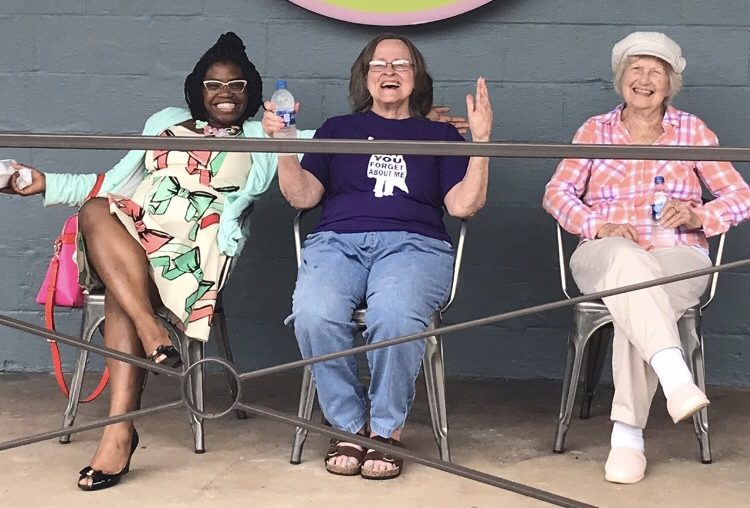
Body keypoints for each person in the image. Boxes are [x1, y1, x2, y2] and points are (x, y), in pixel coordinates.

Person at [1, 32, 284, 491]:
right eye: (214, 84)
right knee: (95, 210)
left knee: (120, 292)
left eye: (237, 85)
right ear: (197, 89)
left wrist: (417, 124)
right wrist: (42, 183)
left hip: (192, 252)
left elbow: (339, 139)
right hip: (134, 234)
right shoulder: (165, 123)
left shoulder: (262, 136)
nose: (225, 93)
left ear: (250, 91)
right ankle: (150, 336)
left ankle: (119, 430)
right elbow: (110, 183)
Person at [263, 33, 493, 480]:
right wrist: (285, 145)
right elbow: (303, 196)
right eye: (378, 65)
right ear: (364, 78)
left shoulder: (439, 134)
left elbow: (462, 205)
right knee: (313, 313)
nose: (389, 72)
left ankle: (385, 431)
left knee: (395, 315)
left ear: (416, 76)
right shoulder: (336, 129)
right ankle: (348, 426)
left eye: (401, 64)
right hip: (337, 244)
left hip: (414, 246)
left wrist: (481, 144)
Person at [543, 31, 750, 484]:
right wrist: (598, 226)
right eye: (636, 69)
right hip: (605, 252)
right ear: (621, 78)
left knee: (639, 296)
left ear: (670, 83)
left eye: (656, 71)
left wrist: (698, 215)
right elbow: (557, 194)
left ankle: (627, 436)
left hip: (678, 253)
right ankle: (675, 377)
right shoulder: (594, 130)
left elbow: (740, 195)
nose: (644, 79)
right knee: (630, 267)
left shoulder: (692, 130)